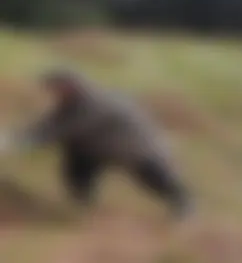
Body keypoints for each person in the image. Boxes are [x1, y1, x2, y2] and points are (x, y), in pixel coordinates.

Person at [0, 67, 193, 219]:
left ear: (70, 85)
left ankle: (185, 207)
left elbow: (63, 130)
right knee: (77, 168)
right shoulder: (72, 103)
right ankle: (83, 207)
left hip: (136, 148)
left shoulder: (96, 103)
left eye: (55, 87)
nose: (52, 92)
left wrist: (15, 143)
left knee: (156, 180)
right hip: (97, 149)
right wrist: (15, 136)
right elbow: (48, 123)